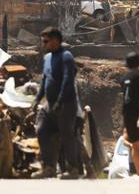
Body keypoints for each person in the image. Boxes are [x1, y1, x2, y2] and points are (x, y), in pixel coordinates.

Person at [32, 27, 79, 179]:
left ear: (56, 40)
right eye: (43, 41)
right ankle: (48, 167)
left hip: (65, 104)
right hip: (49, 104)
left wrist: (60, 100)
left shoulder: (66, 57)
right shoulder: (47, 58)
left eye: (46, 41)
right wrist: (37, 99)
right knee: (41, 130)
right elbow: (44, 80)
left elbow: (67, 80)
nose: (44, 44)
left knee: (66, 135)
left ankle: (73, 169)